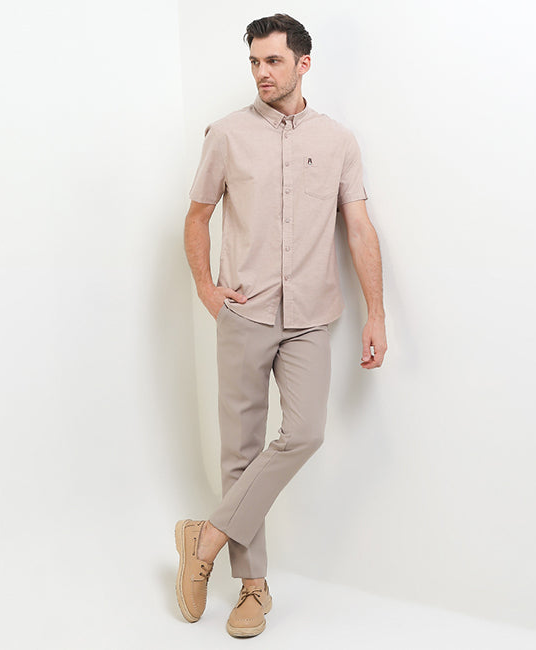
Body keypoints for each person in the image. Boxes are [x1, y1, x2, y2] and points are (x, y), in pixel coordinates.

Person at [175, 13, 387, 638]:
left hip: (310, 319)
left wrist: (376, 312)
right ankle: (253, 588)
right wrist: (206, 289)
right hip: (244, 311)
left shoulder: (339, 140)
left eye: (273, 61)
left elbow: (360, 228)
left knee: (305, 432)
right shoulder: (226, 135)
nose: (262, 73)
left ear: (303, 63)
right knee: (240, 452)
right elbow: (196, 216)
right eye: (254, 62)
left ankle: (204, 539)